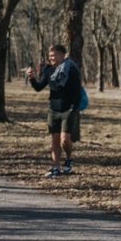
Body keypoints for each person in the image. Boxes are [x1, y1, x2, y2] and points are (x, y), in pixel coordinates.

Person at [27, 44, 82, 177]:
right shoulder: (48, 70)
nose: (51, 58)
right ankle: (55, 167)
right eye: (50, 55)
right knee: (55, 139)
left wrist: (74, 107)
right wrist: (32, 78)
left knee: (65, 140)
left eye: (54, 55)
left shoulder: (71, 70)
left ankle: (68, 158)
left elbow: (76, 91)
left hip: (68, 109)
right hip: (53, 109)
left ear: (62, 55)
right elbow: (39, 87)